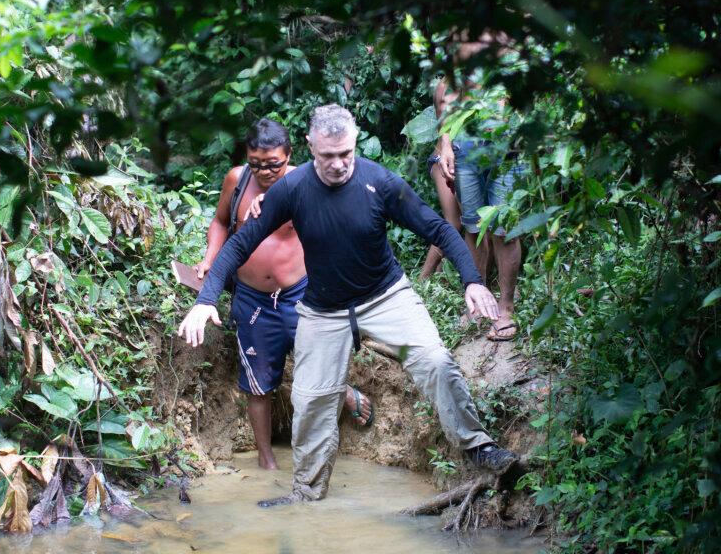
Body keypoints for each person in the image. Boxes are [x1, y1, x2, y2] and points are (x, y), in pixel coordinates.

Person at [178, 105, 518, 507]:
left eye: (346, 154)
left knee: (435, 361)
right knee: (311, 401)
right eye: (328, 156)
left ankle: (478, 447)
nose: (338, 164)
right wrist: (205, 300)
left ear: (354, 144)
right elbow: (239, 243)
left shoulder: (380, 181)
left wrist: (473, 281)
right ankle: (305, 496)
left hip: (386, 297)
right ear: (310, 147)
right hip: (323, 311)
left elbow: (438, 228)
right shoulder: (292, 189)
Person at [194, 118, 373, 471]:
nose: (264, 172)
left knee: (319, 360)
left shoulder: (307, 181)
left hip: (301, 292)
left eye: (273, 164)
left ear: (289, 155)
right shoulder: (236, 180)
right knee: (257, 383)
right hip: (252, 297)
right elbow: (220, 221)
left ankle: (344, 392)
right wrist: (209, 258)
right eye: (256, 164)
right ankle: (266, 461)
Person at [435, 30, 523, 341]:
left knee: (504, 230)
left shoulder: (505, 42)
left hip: (505, 151)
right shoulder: (457, 42)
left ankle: (506, 307)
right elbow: (445, 107)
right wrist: (446, 147)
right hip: (466, 151)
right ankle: (478, 299)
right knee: (473, 227)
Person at [419, 81, 473, 280]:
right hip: (443, 159)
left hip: (466, 163)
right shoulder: (446, 86)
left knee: (469, 223)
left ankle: (442, 275)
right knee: (454, 223)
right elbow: (445, 130)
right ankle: (424, 278)